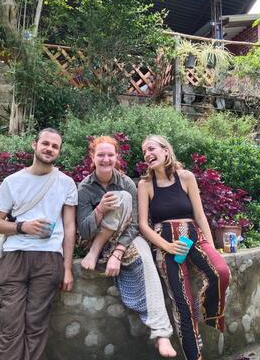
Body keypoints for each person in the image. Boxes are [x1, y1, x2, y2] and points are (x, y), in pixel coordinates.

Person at [77, 136, 176, 357]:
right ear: (92, 157)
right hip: (95, 241)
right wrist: (100, 210)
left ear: (117, 157)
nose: (105, 159)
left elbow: (134, 225)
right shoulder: (84, 188)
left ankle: (161, 334)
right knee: (120, 198)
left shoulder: (127, 183)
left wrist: (118, 252)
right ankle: (96, 250)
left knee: (146, 257)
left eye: (110, 155)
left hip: (125, 238)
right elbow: (83, 230)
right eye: (100, 155)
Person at [138, 135, 230, 360]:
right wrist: (167, 246)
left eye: (151, 149)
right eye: (144, 152)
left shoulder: (186, 177)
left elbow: (200, 215)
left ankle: (207, 313)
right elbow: (143, 225)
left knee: (221, 272)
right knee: (182, 305)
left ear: (166, 151)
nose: (148, 154)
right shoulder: (145, 185)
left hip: (193, 237)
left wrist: (211, 247)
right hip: (165, 244)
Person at [0, 128, 77, 360]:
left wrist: (67, 268)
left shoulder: (66, 183)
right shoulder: (12, 182)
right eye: (45, 143)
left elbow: (70, 227)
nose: (49, 149)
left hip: (49, 258)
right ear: (34, 144)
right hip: (15, 257)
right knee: (10, 324)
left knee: (36, 325)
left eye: (55, 146)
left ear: (59, 151)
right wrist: (22, 227)